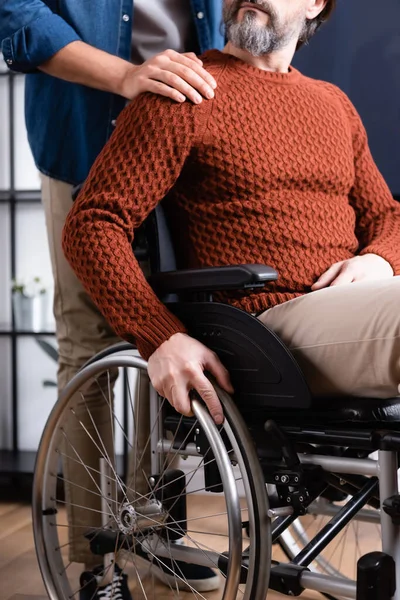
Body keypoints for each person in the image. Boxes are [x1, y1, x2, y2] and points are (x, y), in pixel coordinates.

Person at [63, 0, 400, 430]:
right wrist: (160, 334)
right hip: (265, 328)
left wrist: (380, 259)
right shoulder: (185, 92)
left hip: (351, 309)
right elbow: (92, 222)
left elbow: (388, 216)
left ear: (316, 4)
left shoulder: (334, 104)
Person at [0, 1, 225, 597]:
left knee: (179, 330)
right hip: (82, 137)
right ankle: (96, 556)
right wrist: (126, 75)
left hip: (183, 139)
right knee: (88, 346)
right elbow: (18, 19)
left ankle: (155, 536)